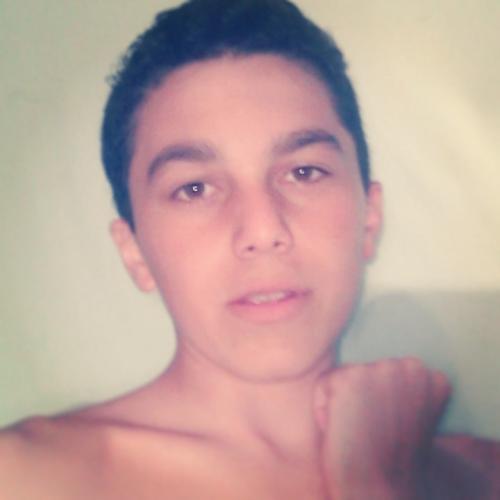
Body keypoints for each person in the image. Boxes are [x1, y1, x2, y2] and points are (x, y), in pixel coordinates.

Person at [0, 0, 498, 498]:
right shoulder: (28, 476)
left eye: (304, 172)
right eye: (194, 189)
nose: (262, 229)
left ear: (369, 218)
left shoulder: (483, 475)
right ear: (134, 252)